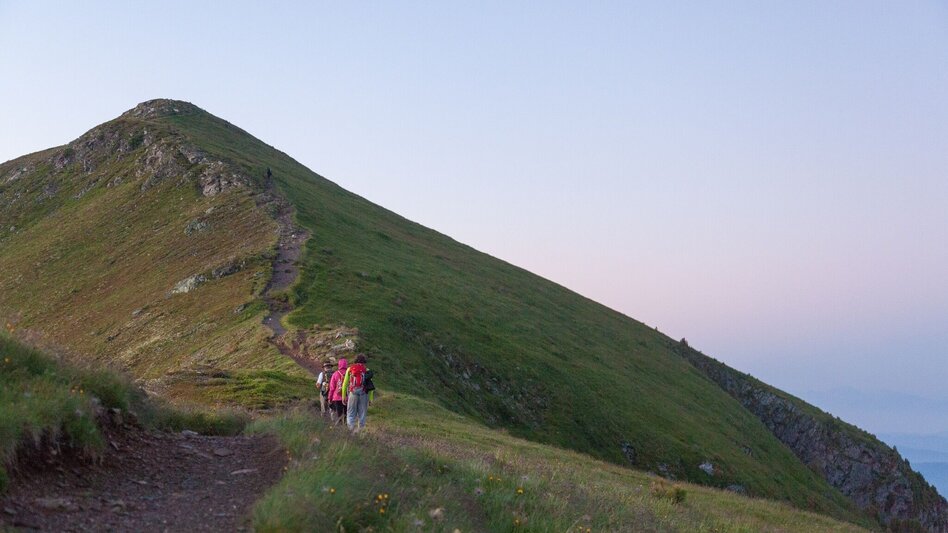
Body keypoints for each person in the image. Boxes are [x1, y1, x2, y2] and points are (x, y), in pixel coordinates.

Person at [342, 354, 371, 432]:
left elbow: (345, 384)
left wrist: (343, 396)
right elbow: (370, 386)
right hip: (364, 393)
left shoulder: (350, 369)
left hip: (353, 393)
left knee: (351, 413)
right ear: (364, 361)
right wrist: (370, 399)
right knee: (362, 414)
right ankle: (360, 432)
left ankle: (350, 431)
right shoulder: (367, 370)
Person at [327, 358, 348, 425]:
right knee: (346, 414)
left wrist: (329, 398)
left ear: (339, 365)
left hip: (337, 397)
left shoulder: (335, 374)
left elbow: (332, 388)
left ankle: (340, 427)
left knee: (339, 414)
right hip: (347, 397)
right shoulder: (349, 373)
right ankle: (346, 427)